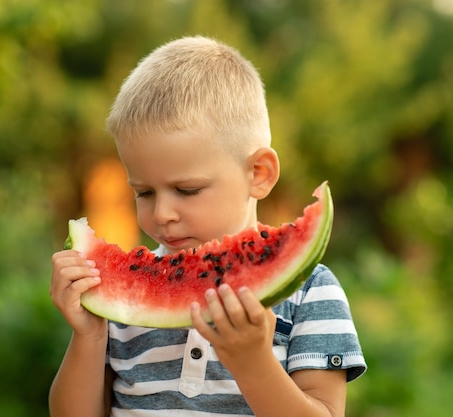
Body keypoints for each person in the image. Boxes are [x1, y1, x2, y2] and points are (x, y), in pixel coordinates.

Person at [49, 36, 366, 417]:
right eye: (144, 192)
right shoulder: (121, 311)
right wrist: (90, 335)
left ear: (259, 174)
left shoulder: (311, 293)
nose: (162, 213)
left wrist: (253, 364)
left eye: (187, 189)